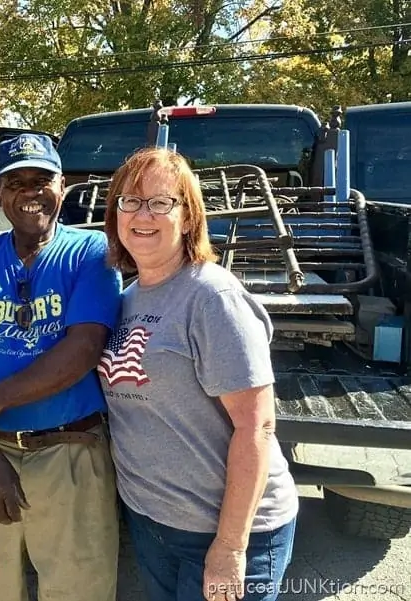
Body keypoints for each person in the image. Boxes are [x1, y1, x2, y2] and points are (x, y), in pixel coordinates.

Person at [98, 147, 299, 601]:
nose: (141, 214)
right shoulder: (126, 298)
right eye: (129, 201)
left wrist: (229, 546)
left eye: (160, 202)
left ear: (188, 217)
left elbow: (258, 424)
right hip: (153, 523)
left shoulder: (211, 296)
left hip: (220, 530)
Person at [0, 132, 123, 601]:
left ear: (62, 186)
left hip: (71, 449)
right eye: (15, 182)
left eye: (41, 179)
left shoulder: (91, 252)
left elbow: (82, 349)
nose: (29, 192)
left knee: (78, 591)